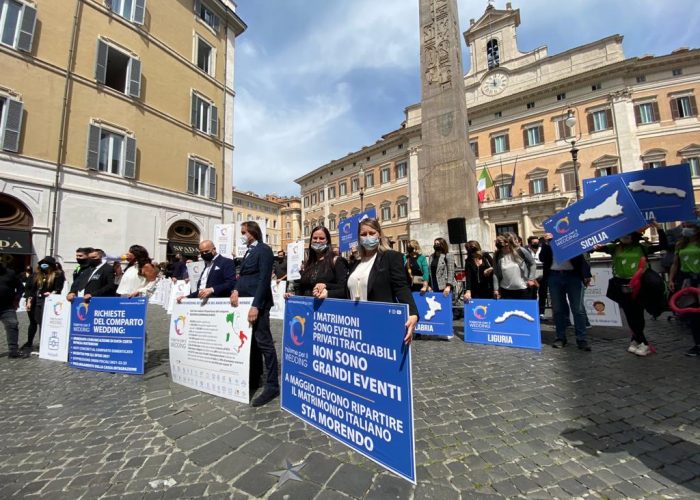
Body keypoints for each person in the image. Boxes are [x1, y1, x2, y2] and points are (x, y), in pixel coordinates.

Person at [595, 225, 667, 356]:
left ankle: (642, 342)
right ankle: (637, 340)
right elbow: (593, 248)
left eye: (628, 234)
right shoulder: (614, 248)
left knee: (637, 312)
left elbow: (663, 246)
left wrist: (660, 229)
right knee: (629, 312)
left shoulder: (642, 247)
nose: (625, 236)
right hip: (621, 284)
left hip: (639, 284)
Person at [230, 221, 279, 407]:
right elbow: (242, 276)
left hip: (258, 304)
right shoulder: (248, 251)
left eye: (244, 232)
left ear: (253, 232)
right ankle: (254, 376)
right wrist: (235, 289)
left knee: (264, 342)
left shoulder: (264, 249)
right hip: (244, 303)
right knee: (252, 344)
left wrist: (256, 305)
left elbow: (264, 279)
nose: (242, 235)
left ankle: (272, 384)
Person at [346, 218, 418, 344]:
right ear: (359, 238)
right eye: (363, 234)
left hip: (379, 322)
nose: (367, 237)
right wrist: (326, 291)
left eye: (371, 233)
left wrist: (413, 313)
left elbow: (401, 287)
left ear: (379, 234)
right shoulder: (356, 263)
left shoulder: (391, 257)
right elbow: (346, 289)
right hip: (355, 324)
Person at [539, 238, 592, 351]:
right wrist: (547, 244)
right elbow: (542, 258)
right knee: (558, 309)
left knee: (578, 309)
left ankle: (582, 339)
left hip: (573, 275)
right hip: (554, 276)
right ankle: (560, 337)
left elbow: (582, 257)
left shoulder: (572, 236)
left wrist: (586, 274)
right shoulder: (546, 242)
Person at [288, 226, 348, 299]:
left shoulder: (337, 261)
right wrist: (293, 296)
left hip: (325, 308)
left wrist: (326, 285)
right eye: (315, 238)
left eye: (322, 238)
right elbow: (302, 287)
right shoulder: (308, 263)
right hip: (306, 307)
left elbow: (344, 288)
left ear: (327, 241)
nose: (318, 241)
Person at [669, 219, 700, 356]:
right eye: (685, 226)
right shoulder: (680, 244)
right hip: (687, 280)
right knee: (691, 313)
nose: (686, 229)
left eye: (690, 226)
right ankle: (697, 344)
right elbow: (675, 264)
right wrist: (671, 279)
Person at [23, 257, 66, 354]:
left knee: (42, 323)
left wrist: (52, 293)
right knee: (32, 322)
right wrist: (29, 300)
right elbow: (30, 289)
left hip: (46, 302)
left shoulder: (57, 275)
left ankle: (42, 343)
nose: (43, 265)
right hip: (34, 301)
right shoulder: (36, 275)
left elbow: (58, 288)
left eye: (46, 264)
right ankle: (29, 342)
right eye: (42, 263)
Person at [492, 232, 537, 299]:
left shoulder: (521, 251)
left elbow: (532, 264)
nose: (503, 249)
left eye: (504, 246)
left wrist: (531, 279)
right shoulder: (497, 255)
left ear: (509, 243)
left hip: (523, 288)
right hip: (505, 290)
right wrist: (496, 289)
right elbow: (495, 273)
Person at [0, 261, 25, 358]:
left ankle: (13, 350)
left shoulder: (10, 273)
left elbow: (20, 287)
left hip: (7, 307)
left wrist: (17, 299)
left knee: (13, 324)